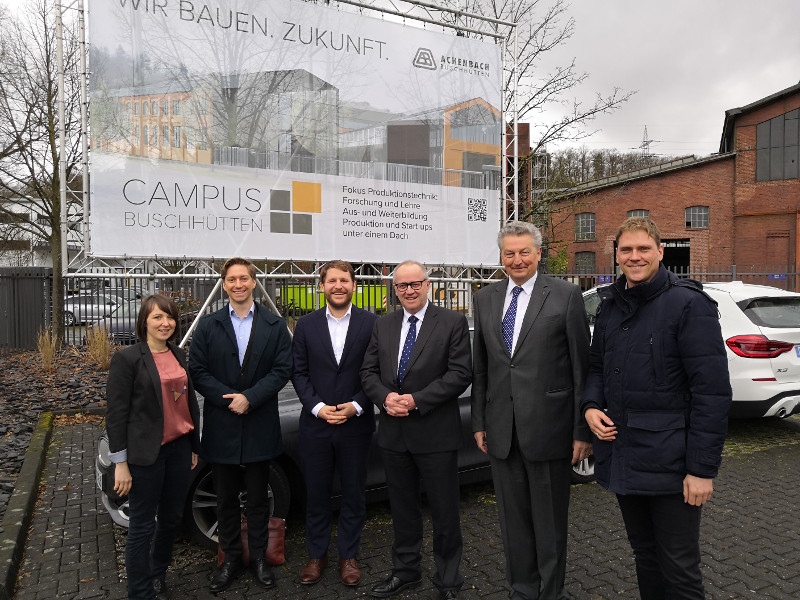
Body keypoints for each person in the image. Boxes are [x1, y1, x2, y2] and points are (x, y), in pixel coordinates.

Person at [581, 217, 731, 599]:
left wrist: (701, 470)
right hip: (625, 456)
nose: (635, 257)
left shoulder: (688, 304)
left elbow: (711, 394)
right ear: (616, 255)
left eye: (643, 249)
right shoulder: (611, 304)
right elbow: (596, 367)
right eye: (626, 250)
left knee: (679, 568)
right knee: (645, 556)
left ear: (661, 252)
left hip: (672, 464)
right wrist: (591, 406)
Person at [471, 221, 591, 600]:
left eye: (525, 252)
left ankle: (550, 592)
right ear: (501, 257)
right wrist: (479, 421)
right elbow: (482, 367)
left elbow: (580, 368)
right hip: (501, 431)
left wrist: (581, 430)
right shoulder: (485, 298)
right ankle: (522, 589)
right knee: (514, 521)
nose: (517, 259)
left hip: (550, 431)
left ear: (539, 253)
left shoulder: (566, 295)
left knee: (550, 522)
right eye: (510, 253)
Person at [361, 260, 472, 600]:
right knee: (403, 508)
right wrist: (386, 398)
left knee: (444, 511)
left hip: (435, 433)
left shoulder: (452, 322)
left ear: (427, 284)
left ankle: (448, 579)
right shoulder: (384, 325)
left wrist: (415, 401)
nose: (408, 290)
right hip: (394, 434)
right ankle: (406, 571)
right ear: (394, 290)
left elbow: (459, 374)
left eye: (414, 284)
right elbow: (368, 372)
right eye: (401, 286)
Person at [189, 257, 293, 593]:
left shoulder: (275, 326)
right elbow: (199, 371)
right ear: (224, 284)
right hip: (223, 423)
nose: (238, 284)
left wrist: (250, 397)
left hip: (260, 421)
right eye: (231, 279)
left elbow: (282, 370)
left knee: (260, 499)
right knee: (225, 498)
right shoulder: (208, 325)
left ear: (253, 282)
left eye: (244, 278)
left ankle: (260, 557)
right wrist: (227, 398)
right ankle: (231, 557)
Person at [106, 294, 201, 600]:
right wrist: (120, 462)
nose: (165, 323)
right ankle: (140, 592)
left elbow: (187, 403)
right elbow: (116, 414)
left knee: (172, 519)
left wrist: (193, 446)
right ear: (144, 321)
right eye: (157, 317)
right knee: (142, 527)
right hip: (145, 456)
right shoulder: (128, 359)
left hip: (179, 450)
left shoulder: (178, 353)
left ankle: (157, 574)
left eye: (170, 317)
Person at [291, 260, 379, 587]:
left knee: (354, 494)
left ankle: (348, 556)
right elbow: (298, 372)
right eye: (332, 280)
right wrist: (317, 407)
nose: (338, 285)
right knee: (316, 494)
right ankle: (317, 555)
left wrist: (357, 405)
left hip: (356, 425)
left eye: (344, 280)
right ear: (322, 286)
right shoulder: (306, 325)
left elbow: (378, 372)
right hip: (316, 426)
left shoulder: (372, 324)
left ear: (354, 285)